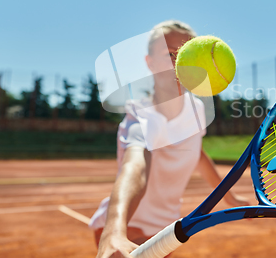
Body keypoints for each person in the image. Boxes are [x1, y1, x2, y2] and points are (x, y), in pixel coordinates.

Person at [90, 20, 249, 258]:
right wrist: (114, 230)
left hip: (166, 231)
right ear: (150, 63)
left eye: (184, 53)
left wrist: (230, 197)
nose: (178, 61)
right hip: (129, 226)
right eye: (170, 53)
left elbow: (197, 155)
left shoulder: (195, 110)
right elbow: (136, 166)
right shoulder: (141, 114)